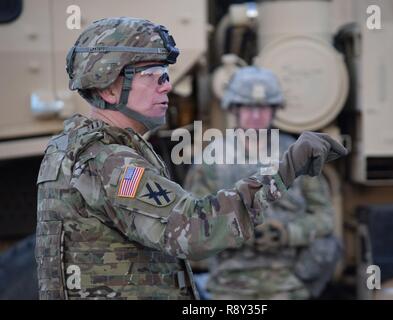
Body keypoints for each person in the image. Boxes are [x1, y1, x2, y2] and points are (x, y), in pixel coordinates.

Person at [35, 17, 347, 300]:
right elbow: (195, 231)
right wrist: (284, 170)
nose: (167, 85)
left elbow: (322, 222)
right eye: (153, 75)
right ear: (110, 87)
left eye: (165, 74)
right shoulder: (108, 162)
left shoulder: (77, 147)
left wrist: (286, 233)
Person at [184, 66, 343, 299]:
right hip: (230, 280)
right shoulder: (212, 159)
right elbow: (193, 222)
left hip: (288, 280)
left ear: (274, 110)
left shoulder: (295, 154)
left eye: (264, 107)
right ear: (234, 109)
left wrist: (287, 233)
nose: (256, 115)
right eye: (248, 107)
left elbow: (324, 217)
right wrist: (236, 230)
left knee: (330, 245)